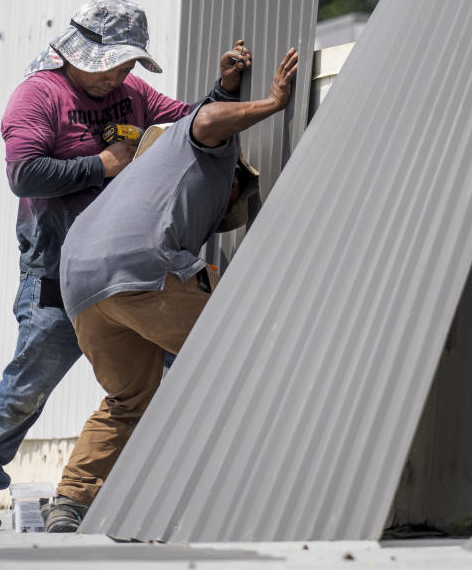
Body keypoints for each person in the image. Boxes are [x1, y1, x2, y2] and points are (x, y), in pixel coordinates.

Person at [0, 0, 249, 531]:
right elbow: (24, 174)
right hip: (57, 274)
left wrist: (224, 92)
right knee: (27, 389)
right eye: (119, 62)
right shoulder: (38, 97)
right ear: (83, 51)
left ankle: (165, 496)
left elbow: (189, 126)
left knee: (185, 374)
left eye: (132, 64)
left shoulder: (132, 92)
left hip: (131, 275)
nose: (125, 74)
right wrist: (100, 166)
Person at [38, 46, 299, 532]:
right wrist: (270, 105)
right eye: (232, 208)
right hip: (138, 266)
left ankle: (69, 502)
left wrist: (227, 85)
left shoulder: (151, 169)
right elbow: (207, 121)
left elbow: (209, 109)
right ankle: (256, 493)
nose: (223, 218)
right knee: (244, 347)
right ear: (235, 187)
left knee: (128, 400)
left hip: (80, 283)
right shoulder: (208, 150)